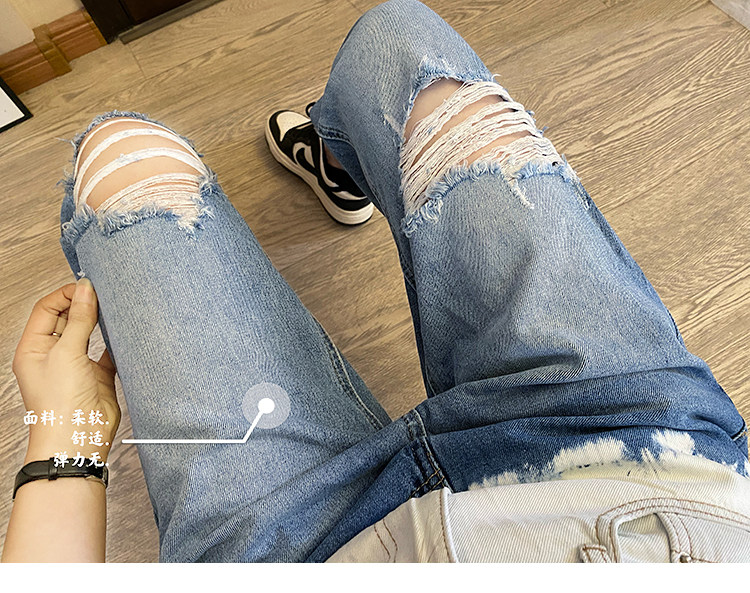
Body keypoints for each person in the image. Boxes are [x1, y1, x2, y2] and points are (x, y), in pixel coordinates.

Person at [4, 0, 749, 563]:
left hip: (296, 551)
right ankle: (337, 161)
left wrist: (67, 429)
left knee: (123, 160)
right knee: (400, 43)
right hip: (636, 450)